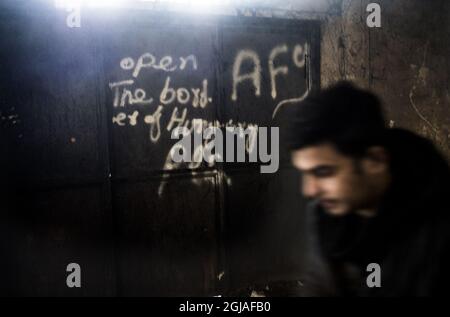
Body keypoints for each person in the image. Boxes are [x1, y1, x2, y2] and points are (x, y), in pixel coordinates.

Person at [289, 81, 450, 296]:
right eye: (305, 173)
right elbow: (319, 285)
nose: (309, 190)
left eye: (323, 172)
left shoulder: (438, 229)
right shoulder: (326, 215)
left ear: (375, 160)